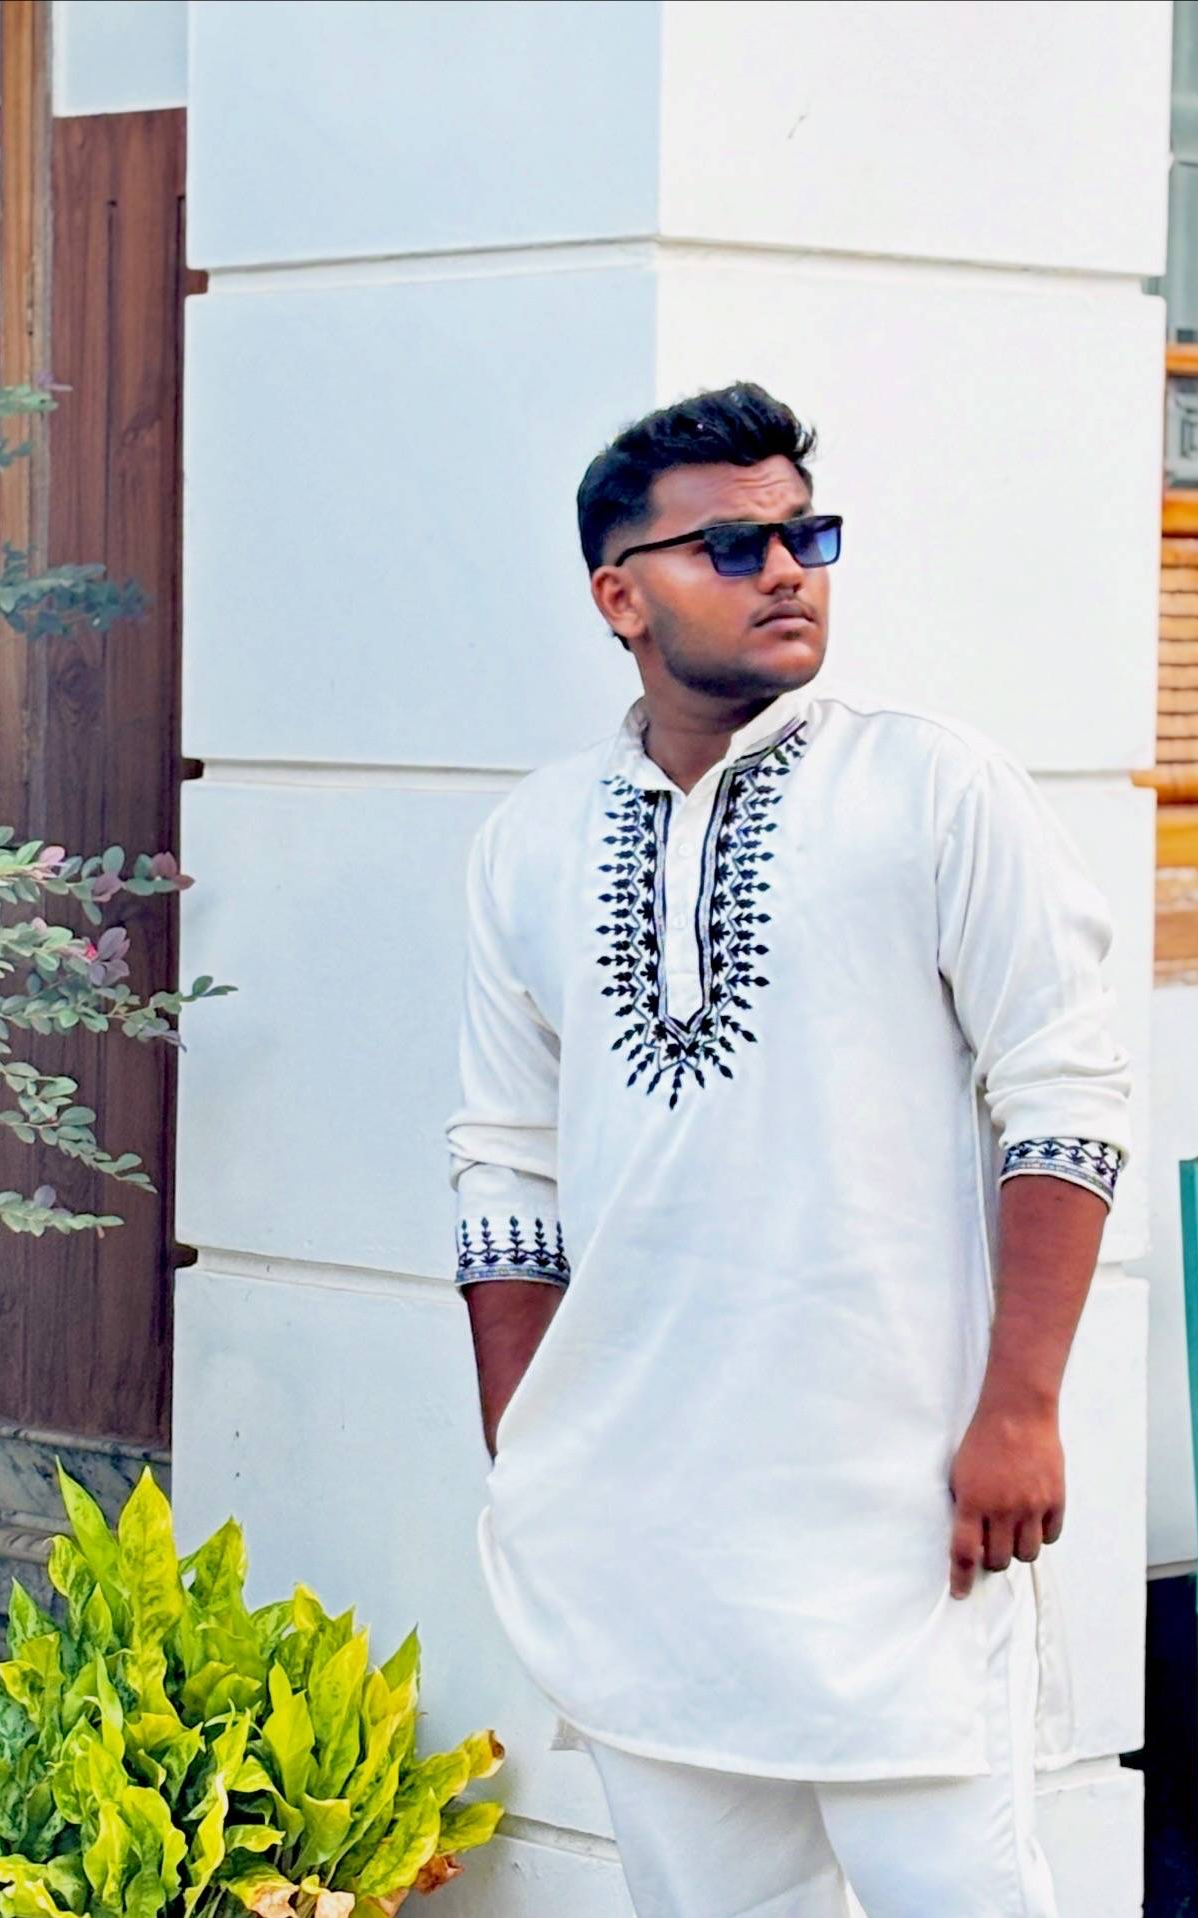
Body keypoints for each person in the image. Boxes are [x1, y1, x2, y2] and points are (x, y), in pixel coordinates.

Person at [445, 381, 1132, 1917]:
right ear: (619, 597)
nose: (785, 571)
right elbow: (505, 1164)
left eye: (805, 537)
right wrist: (532, 1442)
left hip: (903, 1521)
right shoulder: (532, 845)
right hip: (647, 1538)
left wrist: (1021, 1405)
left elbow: (1069, 1096)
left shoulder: (933, 788)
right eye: (732, 545)